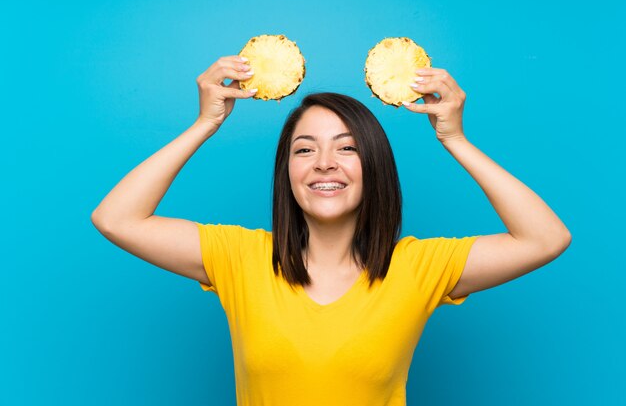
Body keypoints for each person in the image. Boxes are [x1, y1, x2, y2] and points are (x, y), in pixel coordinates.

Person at [91, 55, 572, 405]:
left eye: (346, 148)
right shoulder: (239, 257)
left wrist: (454, 138)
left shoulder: (419, 267)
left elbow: (546, 238)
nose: (324, 164)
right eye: (304, 150)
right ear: (287, 172)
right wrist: (205, 122)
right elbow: (116, 218)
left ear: (374, 166)